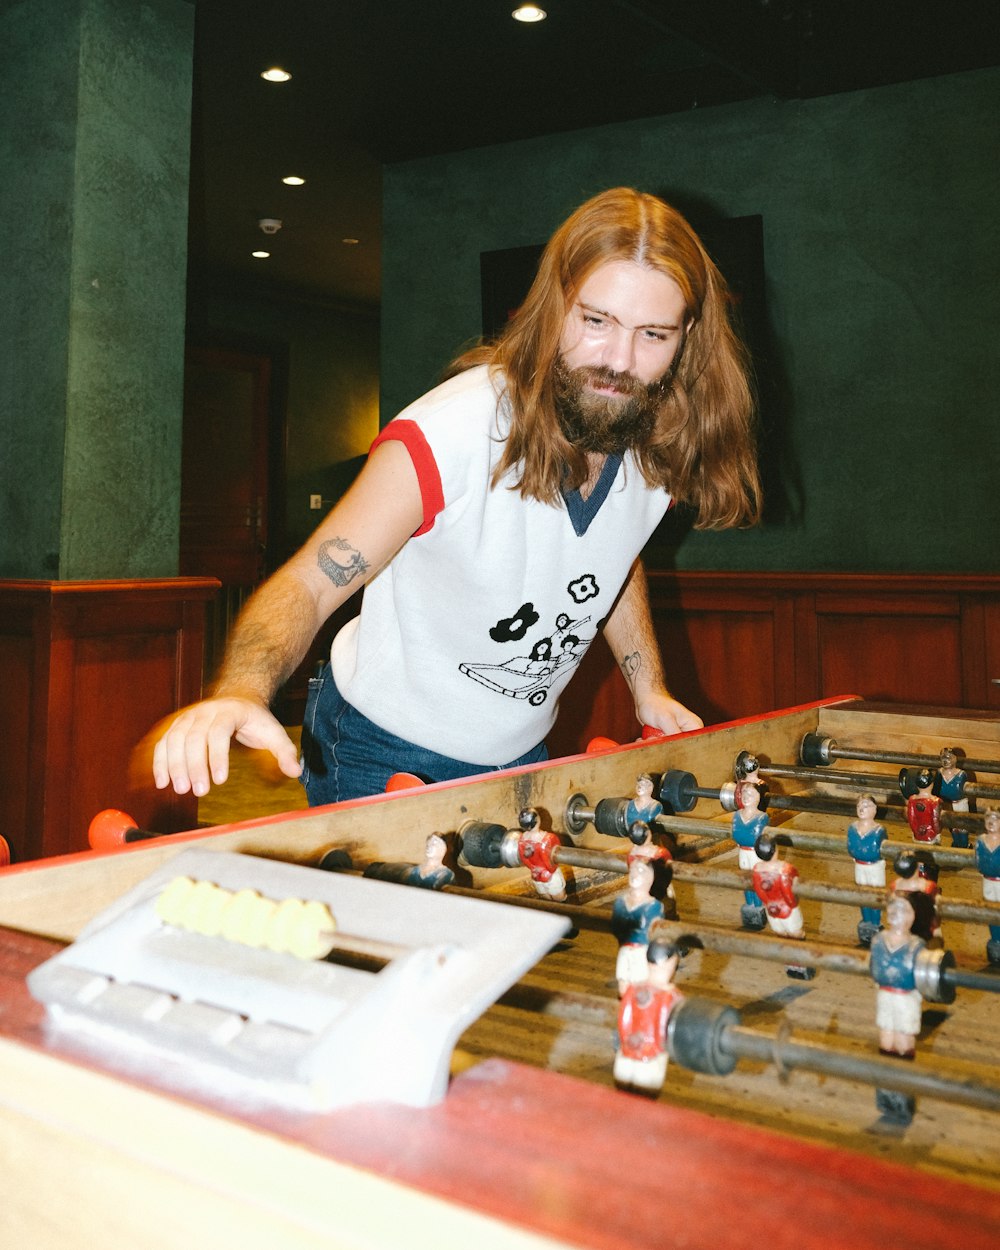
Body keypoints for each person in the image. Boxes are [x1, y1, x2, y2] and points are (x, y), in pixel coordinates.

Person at [152, 187, 761, 803]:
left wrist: (646, 685)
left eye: (653, 335)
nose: (620, 363)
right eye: (596, 321)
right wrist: (240, 691)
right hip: (377, 746)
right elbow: (310, 582)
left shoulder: (653, 434)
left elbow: (612, 557)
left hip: (519, 754)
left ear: (688, 337)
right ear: (553, 309)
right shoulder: (452, 434)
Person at [614, 939, 683, 1095]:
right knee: (646, 1096)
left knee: (624, 1092)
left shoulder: (633, 988)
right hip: (653, 1055)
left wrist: (627, 1040)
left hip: (629, 1049)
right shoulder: (672, 996)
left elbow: (624, 1018)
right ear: (670, 964)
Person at [846, 793, 887, 947]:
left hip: (875, 867)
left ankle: (875, 923)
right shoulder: (852, 828)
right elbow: (851, 847)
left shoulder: (879, 830)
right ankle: (866, 922)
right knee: (862, 894)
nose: (862, 809)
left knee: (875, 895)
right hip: (860, 865)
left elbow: (882, 850)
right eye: (859, 806)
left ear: (874, 809)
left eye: (866, 805)